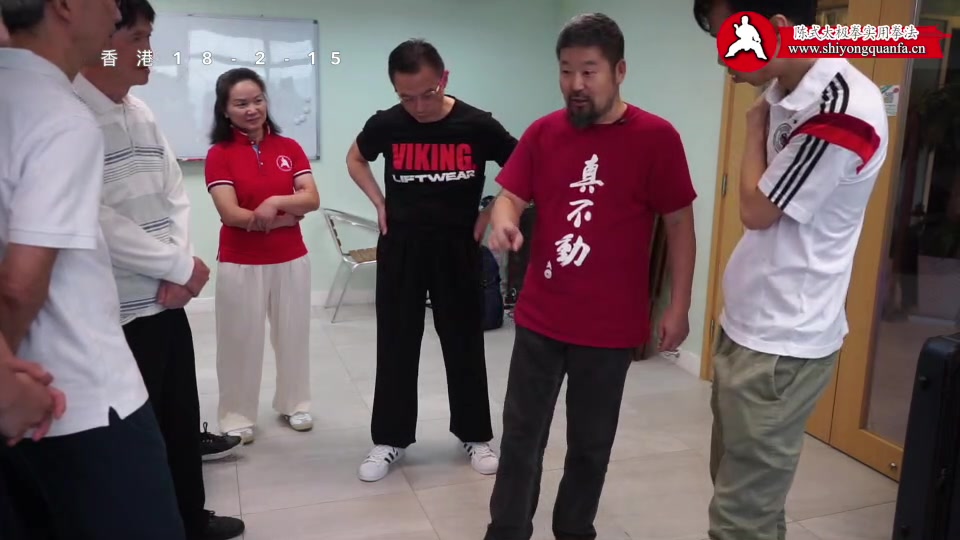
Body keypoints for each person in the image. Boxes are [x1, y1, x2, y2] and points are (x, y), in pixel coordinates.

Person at [484, 13, 697, 540]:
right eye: (566, 71)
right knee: (521, 437)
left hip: (609, 327)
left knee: (591, 443)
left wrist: (679, 306)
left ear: (619, 71)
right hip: (541, 315)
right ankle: (508, 529)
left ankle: (575, 529)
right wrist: (504, 220)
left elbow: (679, 224)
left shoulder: (656, 137)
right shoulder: (543, 132)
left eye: (589, 71)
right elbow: (510, 196)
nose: (575, 84)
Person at [692, 1, 888, 539]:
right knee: (743, 496)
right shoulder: (784, 88)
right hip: (748, 326)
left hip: (782, 342)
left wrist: (754, 126)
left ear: (777, 29)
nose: (723, 58)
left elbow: (755, 210)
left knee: (739, 519)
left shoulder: (843, 109)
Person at [0, 0, 188, 538]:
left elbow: (175, 194)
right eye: (133, 34)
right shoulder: (59, 114)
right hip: (76, 393)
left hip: (42, 389)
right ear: (64, 7)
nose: (112, 11)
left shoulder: (129, 110)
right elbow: (20, 286)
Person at [72, 1, 245, 538]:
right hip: (117, 310)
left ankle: (190, 519)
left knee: (178, 419)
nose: (148, 51)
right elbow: (95, 218)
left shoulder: (140, 110)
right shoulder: (71, 113)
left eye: (150, 37)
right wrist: (176, 264)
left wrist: (181, 267)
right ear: (101, 39)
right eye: (136, 38)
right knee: (135, 438)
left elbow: (175, 194)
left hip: (167, 300)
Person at [346, 38, 517, 483]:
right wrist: (379, 202)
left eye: (428, 93)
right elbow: (356, 157)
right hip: (401, 247)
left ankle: (475, 435)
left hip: (457, 248)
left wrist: (488, 213)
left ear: (444, 78)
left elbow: (522, 169)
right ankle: (390, 439)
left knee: (464, 341)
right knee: (396, 343)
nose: (419, 107)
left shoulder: (477, 124)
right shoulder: (387, 123)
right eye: (406, 97)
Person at [204, 67, 320, 444]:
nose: (252, 109)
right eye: (241, 104)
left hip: (291, 258)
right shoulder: (219, 155)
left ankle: (294, 403)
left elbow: (311, 199)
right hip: (240, 262)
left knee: (293, 336)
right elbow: (230, 214)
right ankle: (236, 415)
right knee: (239, 341)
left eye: (257, 100)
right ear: (225, 110)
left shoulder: (289, 148)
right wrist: (285, 218)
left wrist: (273, 202)